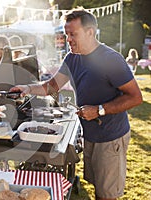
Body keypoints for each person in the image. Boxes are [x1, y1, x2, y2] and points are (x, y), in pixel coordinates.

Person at [10, 8, 142, 200]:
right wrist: (27, 88)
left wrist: (99, 110)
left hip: (110, 137)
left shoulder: (111, 59)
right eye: (66, 34)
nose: (68, 39)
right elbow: (51, 86)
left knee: (107, 195)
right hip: (91, 134)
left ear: (90, 32)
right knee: (98, 186)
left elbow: (135, 97)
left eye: (73, 34)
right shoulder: (72, 58)